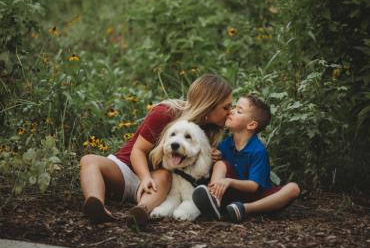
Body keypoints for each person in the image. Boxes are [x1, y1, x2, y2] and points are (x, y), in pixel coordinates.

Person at [80, 74, 232, 225]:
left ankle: (141, 212)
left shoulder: (206, 132)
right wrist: (145, 177)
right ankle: (96, 206)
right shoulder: (165, 112)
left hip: (158, 183)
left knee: (165, 175)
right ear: (209, 105)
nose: (230, 112)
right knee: (89, 160)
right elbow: (138, 150)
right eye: (226, 107)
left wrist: (210, 156)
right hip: (125, 169)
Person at [192, 95, 300, 223]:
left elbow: (253, 186)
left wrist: (229, 181)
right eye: (234, 108)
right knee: (220, 164)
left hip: (258, 198)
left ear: (251, 124)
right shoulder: (225, 145)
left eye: (239, 111)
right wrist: (213, 157)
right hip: (231, 195)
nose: (231, 111)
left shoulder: (258, 151)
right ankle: (214, 200)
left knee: (293, 188)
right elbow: (217, 169)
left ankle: (244, 209)